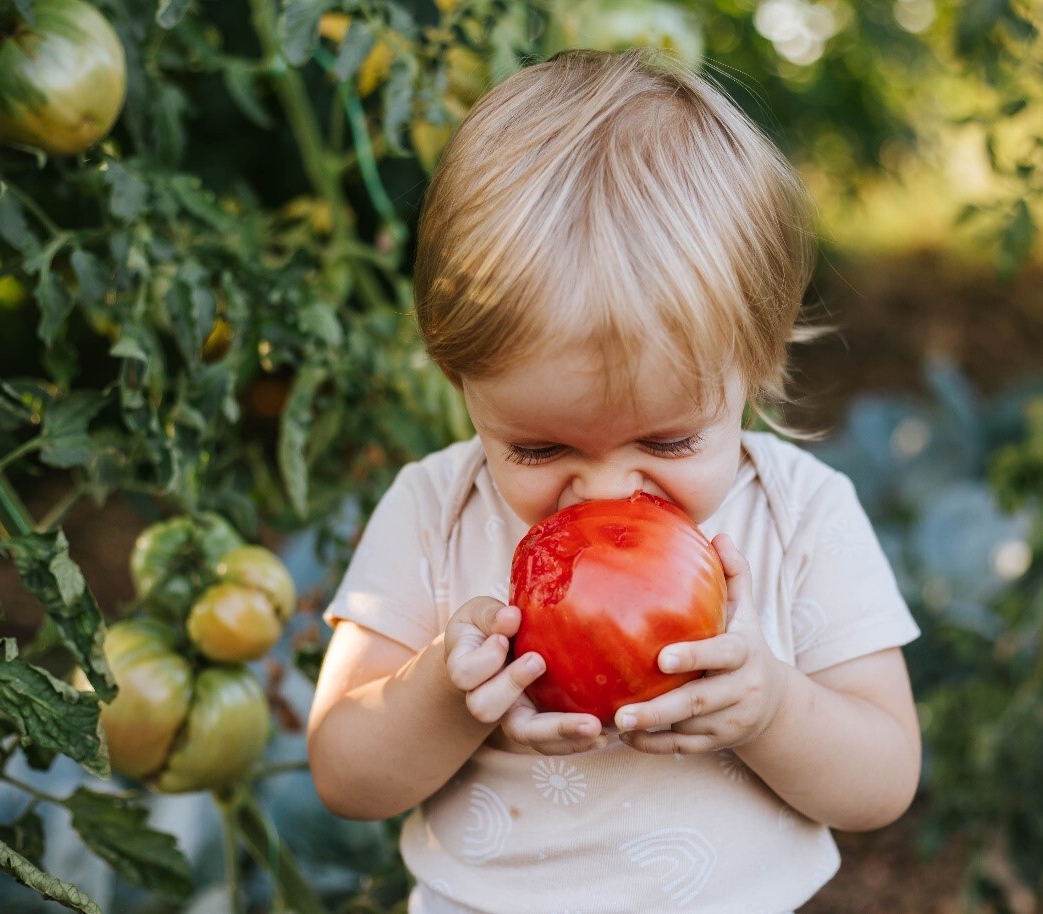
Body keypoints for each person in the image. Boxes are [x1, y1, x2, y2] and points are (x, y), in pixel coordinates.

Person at [308, 48, 922, 914]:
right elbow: (343, 771)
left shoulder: (802, 517)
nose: (600, 495)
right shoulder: (433, 511)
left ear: (756, 367)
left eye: (668, 441)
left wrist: (774, 710)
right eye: (536, 451)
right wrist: (445, 699)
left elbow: (884, 778)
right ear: (464, 388)